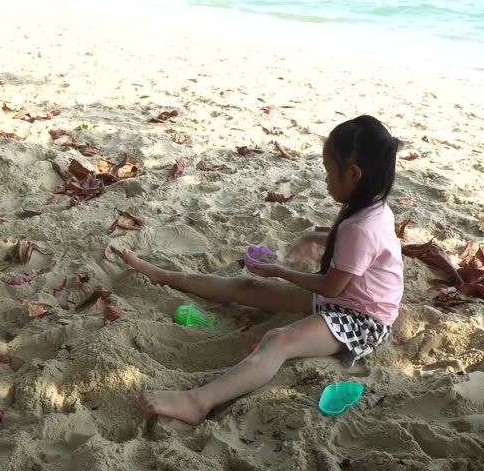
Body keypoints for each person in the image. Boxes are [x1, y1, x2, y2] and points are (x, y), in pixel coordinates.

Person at [117, 115, 404, 425]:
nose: (324, 180)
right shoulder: (374, 205)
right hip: (346, 299)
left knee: (279, 340)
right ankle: (164, 276)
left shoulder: (363, 226)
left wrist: (279, 272)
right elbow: (352, 251)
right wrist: (313, 236)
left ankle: (198, 401)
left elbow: (330, 286)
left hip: (362, 319)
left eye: (328, 171)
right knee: (247, 288)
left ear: (353, 173)